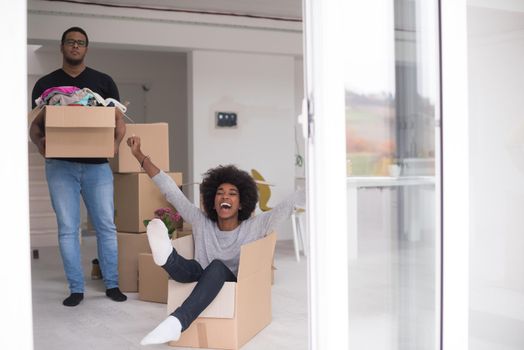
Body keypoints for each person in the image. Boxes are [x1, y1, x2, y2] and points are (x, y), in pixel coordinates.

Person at [126, 135, 305, 345]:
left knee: (217, 267)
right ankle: (165, 256)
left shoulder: (256, 226)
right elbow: (171, 191)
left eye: (232, 194)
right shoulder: (202, 222)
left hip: (229, 280)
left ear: (241, 203)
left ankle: (177, 321)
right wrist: (139, 154)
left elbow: (287, 206)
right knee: (193, 267)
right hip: (198, 275)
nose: (225, 197)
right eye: (220, 193)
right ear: (213, 201)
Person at [29, 27, 127, 307]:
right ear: (62, 47)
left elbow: (118, 121)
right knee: (68, 228)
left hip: (97, 167)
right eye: (70, 42)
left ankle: (112, 284)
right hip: (60, 166)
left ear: (86, 48)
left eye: (80, 43)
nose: (75, 46)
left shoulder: (103, 81)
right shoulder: (46, 85)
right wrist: (40, 144)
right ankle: (76, 288)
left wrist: (116, 145)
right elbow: (34, 126)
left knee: (106, 226)